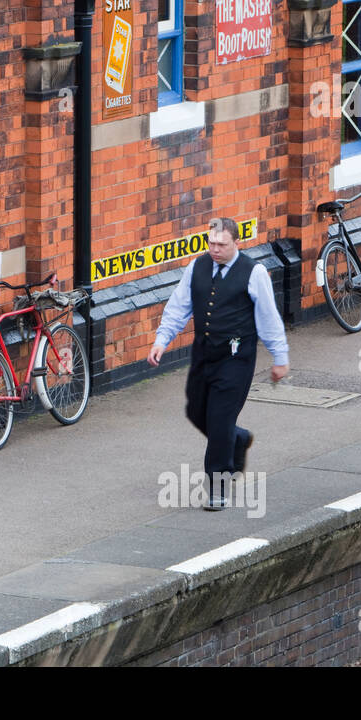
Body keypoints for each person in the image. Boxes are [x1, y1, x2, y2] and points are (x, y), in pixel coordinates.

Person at [146, 217, 289, 510]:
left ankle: (217, 487)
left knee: (220, 419)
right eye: (211, 243)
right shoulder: (196, 268)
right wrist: (161, 341)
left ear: (237, 243)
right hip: (204, 356)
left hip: (236, 360)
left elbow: (268, 318)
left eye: (222, 244)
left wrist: (280, 357)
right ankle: (237, 438)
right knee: (197, 411)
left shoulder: (254, 272)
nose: (215, 249)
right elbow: (178, 307)